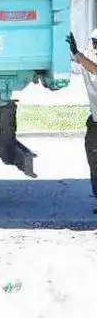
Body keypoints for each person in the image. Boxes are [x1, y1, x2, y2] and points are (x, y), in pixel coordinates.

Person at [66, 30, 97, 201]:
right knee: (93, 161)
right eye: (94, 43)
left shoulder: (90, 63)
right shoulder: (88, 60)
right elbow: (86, 64)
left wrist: (76, 52)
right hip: (94, 122)